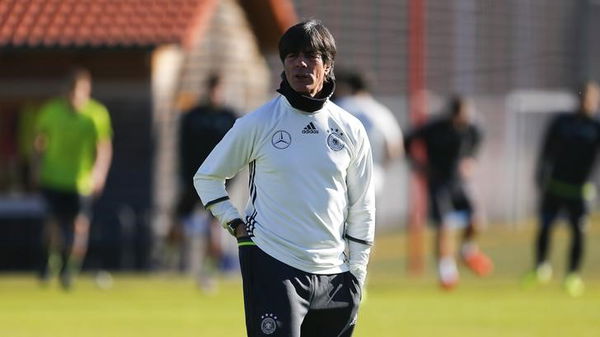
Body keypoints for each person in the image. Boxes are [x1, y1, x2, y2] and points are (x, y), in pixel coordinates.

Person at [193, 20, 374, 336]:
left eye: (310, 55)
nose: (300, 63)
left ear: (328, 65)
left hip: (336, 274)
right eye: (291, 55)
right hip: (273, 264)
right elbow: (207, 177)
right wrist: (234, 224)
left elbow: (362, 208)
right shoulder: (258, 123)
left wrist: (357, 272)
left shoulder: (350, 129)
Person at [35, 67, 113, 290]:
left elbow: (103, 147)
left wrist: (99, 173)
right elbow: (40, 142)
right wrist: (37, 166)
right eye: (74, 91)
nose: (77, 96)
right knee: (52, 226)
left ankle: (70, 270)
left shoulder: (96, 114)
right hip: (53, 177)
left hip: (80, 181)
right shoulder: (51, 112)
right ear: (66, 91)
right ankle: (52, 263)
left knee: (79, 226)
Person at [404, 96, 492, 289]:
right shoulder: (434, 128)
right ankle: (447, 271)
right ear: (452, 114)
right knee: (444, 225)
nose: (465, 119)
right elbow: (408, 139)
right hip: (438, 181)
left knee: (477, 219)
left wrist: (471, 160)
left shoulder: (473, 128)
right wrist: (418, 165)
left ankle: (467, 250)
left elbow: (477, 144)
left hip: (461, 181)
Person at [525, 81, 600, 297]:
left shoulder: (596, 126)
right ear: (579, 99)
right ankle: (541, 267)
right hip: (556, 186)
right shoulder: (561, 122)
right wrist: (541, 173)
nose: (588, 102)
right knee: (545, 226)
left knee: (578, 232)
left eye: (592, 99)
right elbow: (546, 149)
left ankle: (572, 275)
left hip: (580, 190)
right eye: (585, 97)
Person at [170, 73, 237, 291]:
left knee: (214, 229)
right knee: (177, 223)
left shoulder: (230, 118)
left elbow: (237, 153)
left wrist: (230, 182)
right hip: (193, 182)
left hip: (218, 183)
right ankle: (170, 263)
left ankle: (209, 270)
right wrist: (184, 178)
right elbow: (182, 150)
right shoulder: (192, 116)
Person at [335, 70, 403, 199]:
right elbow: (394, 149)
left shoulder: (338, 107)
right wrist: (380, 169)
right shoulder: (381, 112)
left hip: (339, 177)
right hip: (372, 177)